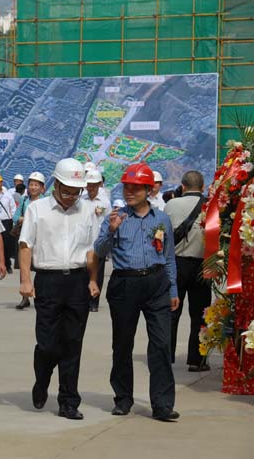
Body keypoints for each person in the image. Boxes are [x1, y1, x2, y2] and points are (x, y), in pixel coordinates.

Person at [94, 162, 181, 422]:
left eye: (136, 187)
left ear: (149, 190)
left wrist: (173, 288)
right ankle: (123, 398)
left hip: (156, 283)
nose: (130, 192)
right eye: (126, 187)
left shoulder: (162, 219)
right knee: (122, 343)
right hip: (125, 284)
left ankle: (162, 404)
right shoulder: (116, 217)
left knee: (161, 344)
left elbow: (168, 257)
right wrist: (111, 231)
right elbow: (99, 251)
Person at [19, 158, 100, 421]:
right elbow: (25, 245)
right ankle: (42, 381)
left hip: (77, 282)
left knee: (72, 344)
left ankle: (68, 401)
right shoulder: (37, 209)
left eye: (76, 192)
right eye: (67, 191)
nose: (71, 197)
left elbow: (92, 250)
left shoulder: (87, 210)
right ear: (55, 184)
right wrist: (25, 280)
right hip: (48, 281)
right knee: (47, 344)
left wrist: (93, 279)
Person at [164, 170, 210, 372]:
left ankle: (166, 357)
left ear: (183, 187)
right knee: (200, 314)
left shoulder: (171, 204)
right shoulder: (210, 205)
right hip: (202, 265)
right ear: (203, 187)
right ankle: (197, 360)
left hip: (176, 264)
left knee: (171, 311)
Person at [12, 172, 46, 310]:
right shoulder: (24, 200)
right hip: (25, 237)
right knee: (24, 267)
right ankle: (25, 297)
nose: (33, 187)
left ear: (42, 188)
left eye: (36, 185)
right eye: (31, 184)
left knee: (40, 267)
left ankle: (40, 294)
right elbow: (15, 217)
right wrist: (26, 219)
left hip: (41, 238)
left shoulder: (46, 201)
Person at [82, 170, 111, 312]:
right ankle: (83, 299)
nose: (91, 187)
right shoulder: (82, 200)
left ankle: (94, 302)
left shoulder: (105, 201)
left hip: (99, 241)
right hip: (84, 241)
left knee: (98, 273)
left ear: (99, 184)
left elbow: (108, 221)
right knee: (84, 271)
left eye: (94, 184)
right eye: (89, 184)